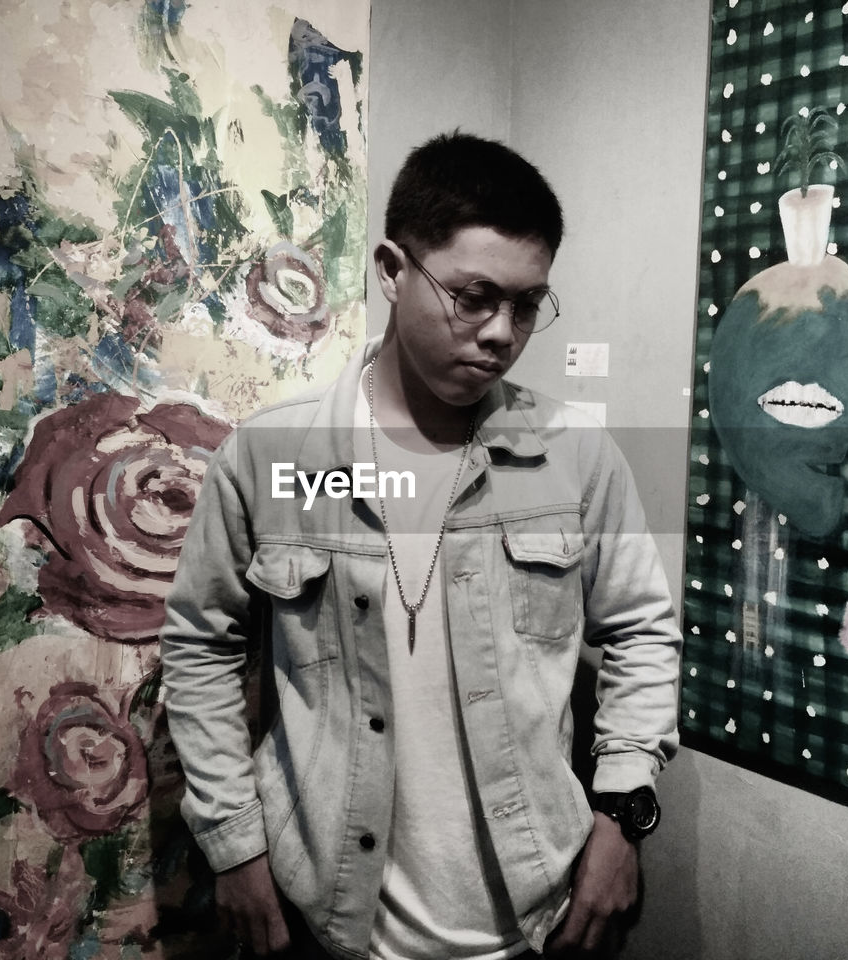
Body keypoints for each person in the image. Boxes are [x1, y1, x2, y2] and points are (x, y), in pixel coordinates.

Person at [161, 132, 682, 959]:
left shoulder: (575, 455)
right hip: (328, 919)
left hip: (536, 919)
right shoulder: (274, 460)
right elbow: (198, 649)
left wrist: (624, 819)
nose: (501, 333)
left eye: (527, 304)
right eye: (474, 296)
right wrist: (236, 848)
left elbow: (643, 633)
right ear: (392, 270)